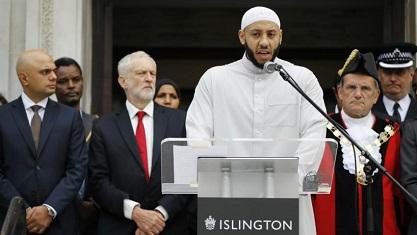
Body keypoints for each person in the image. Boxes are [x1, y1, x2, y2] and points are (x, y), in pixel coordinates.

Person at [186, 6, 327, 235]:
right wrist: (216, 178)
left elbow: (314, 134)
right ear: (242, 36)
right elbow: (198, 135)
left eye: (271, 34)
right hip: (229, 199)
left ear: (280, 36)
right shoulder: (215, 79)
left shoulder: (301, 78)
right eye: (256, 34)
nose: (264, 42)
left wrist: (289, 181)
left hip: (288, 199)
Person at [88, 51, 190, 235]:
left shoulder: (180, 121)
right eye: (141, 73)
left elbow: (187, 177)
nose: (149, 79)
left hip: (169, 226)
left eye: (152, 74)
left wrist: (159, 214)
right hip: (119, 226)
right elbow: (98, 182)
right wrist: (135, 213)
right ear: (123, 81)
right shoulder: (104, 126)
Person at [313, 49, 403, 235]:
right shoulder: (320, 129)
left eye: (365, 88)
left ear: (376, 95)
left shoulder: (393, 132)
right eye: (351, 88)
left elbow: (400, 193)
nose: (358, 94)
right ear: (339, 92)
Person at [0, 49, 87, 234]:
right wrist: (22, 210)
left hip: (61, 222)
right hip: (12, 223)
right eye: (45, 72)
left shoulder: (70, 118)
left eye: (53, 71)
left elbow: (77, 169)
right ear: (24, 78)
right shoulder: (3, 117)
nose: (54, 77)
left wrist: (49, 209)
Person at [54, 57, 98, 235]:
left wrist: (94, 203)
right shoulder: (44, 125)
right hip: (56, 211)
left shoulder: (97, 124)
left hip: (92, 215)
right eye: (63, 81)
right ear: (53, 85)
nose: (71, 86)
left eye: (76, 80)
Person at [372, 42, 417, 123]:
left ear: (411, 74)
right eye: (387, 72)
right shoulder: (368, 113)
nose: (393, 79)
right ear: (378, 74)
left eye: (399, 72)